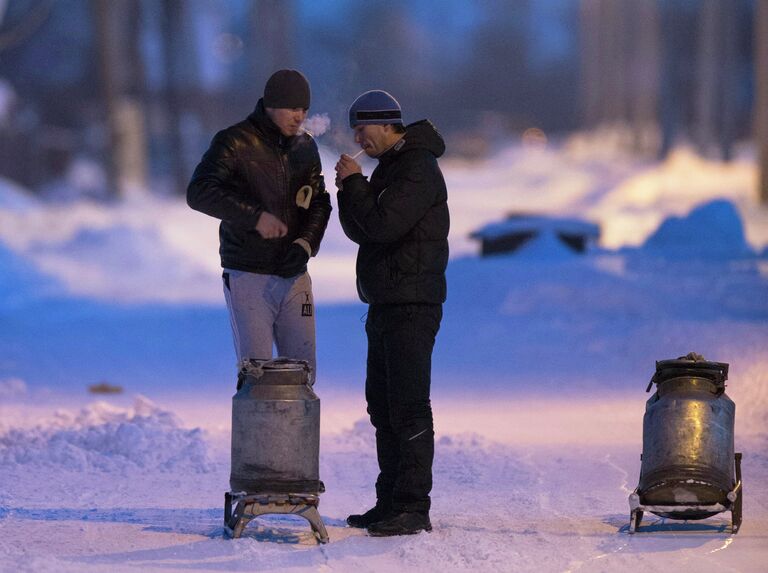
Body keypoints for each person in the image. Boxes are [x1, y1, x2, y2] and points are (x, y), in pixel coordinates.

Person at [335, 90, 449, 536]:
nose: (358, 137)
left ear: (386, 124)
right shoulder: (391, 167)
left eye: (362, 128)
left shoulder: (418, 167)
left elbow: (383, 225)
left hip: (412, 303)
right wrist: (350, 187)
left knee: (408, 406)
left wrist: (356, 185)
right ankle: (389, 500)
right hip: (386, 302)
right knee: (381, 406)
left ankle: (413, 505)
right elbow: (361, 229)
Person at [187, 69, 331, 384]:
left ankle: (297, 434)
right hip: (248, 273)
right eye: (293, 108)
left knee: (303, 373)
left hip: (294, 274)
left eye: (304, 110)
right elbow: (199, 192)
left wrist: (305, 244)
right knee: (257, 373)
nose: (300, 116)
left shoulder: (305, 147)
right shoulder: (235, 141)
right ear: (270, 104)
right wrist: (255, 217)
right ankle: (256, 433)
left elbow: (319, 202)